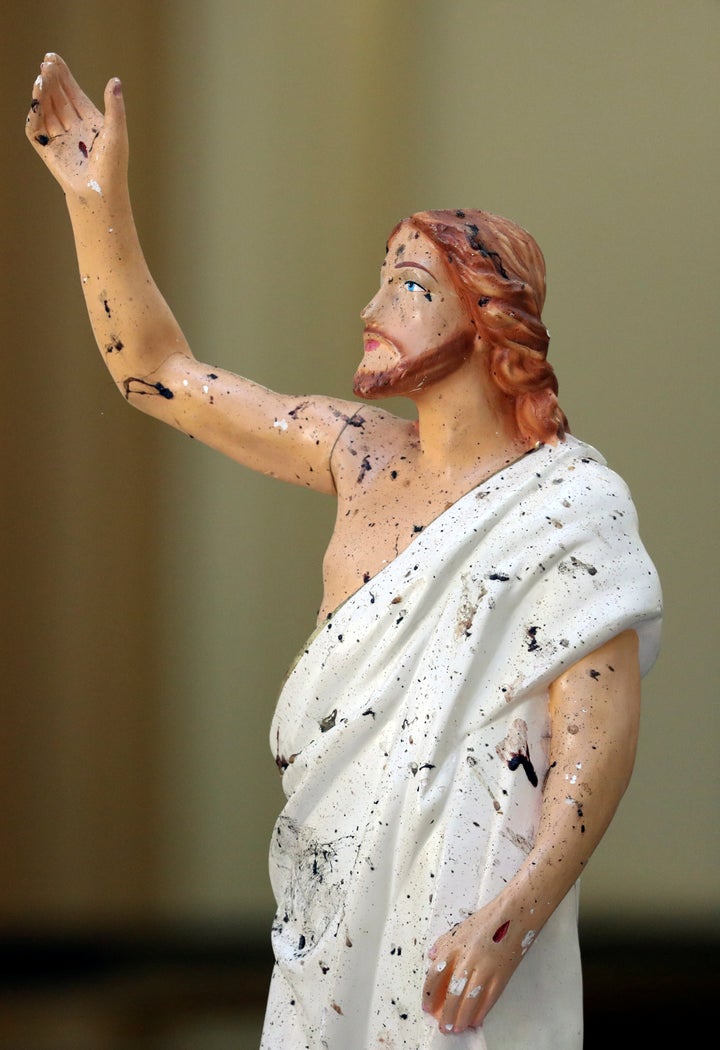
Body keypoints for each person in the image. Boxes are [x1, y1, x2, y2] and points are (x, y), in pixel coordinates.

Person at [26, 54, 661, 1049]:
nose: (372, 310)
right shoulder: (353, 451)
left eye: (408, 287)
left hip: (471, 895)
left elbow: (594, 748)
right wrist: (94, 200)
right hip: (335, 886)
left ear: (489, 323)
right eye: (384, 281)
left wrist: (508, 921)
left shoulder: (570, 505)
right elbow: (157, 373)